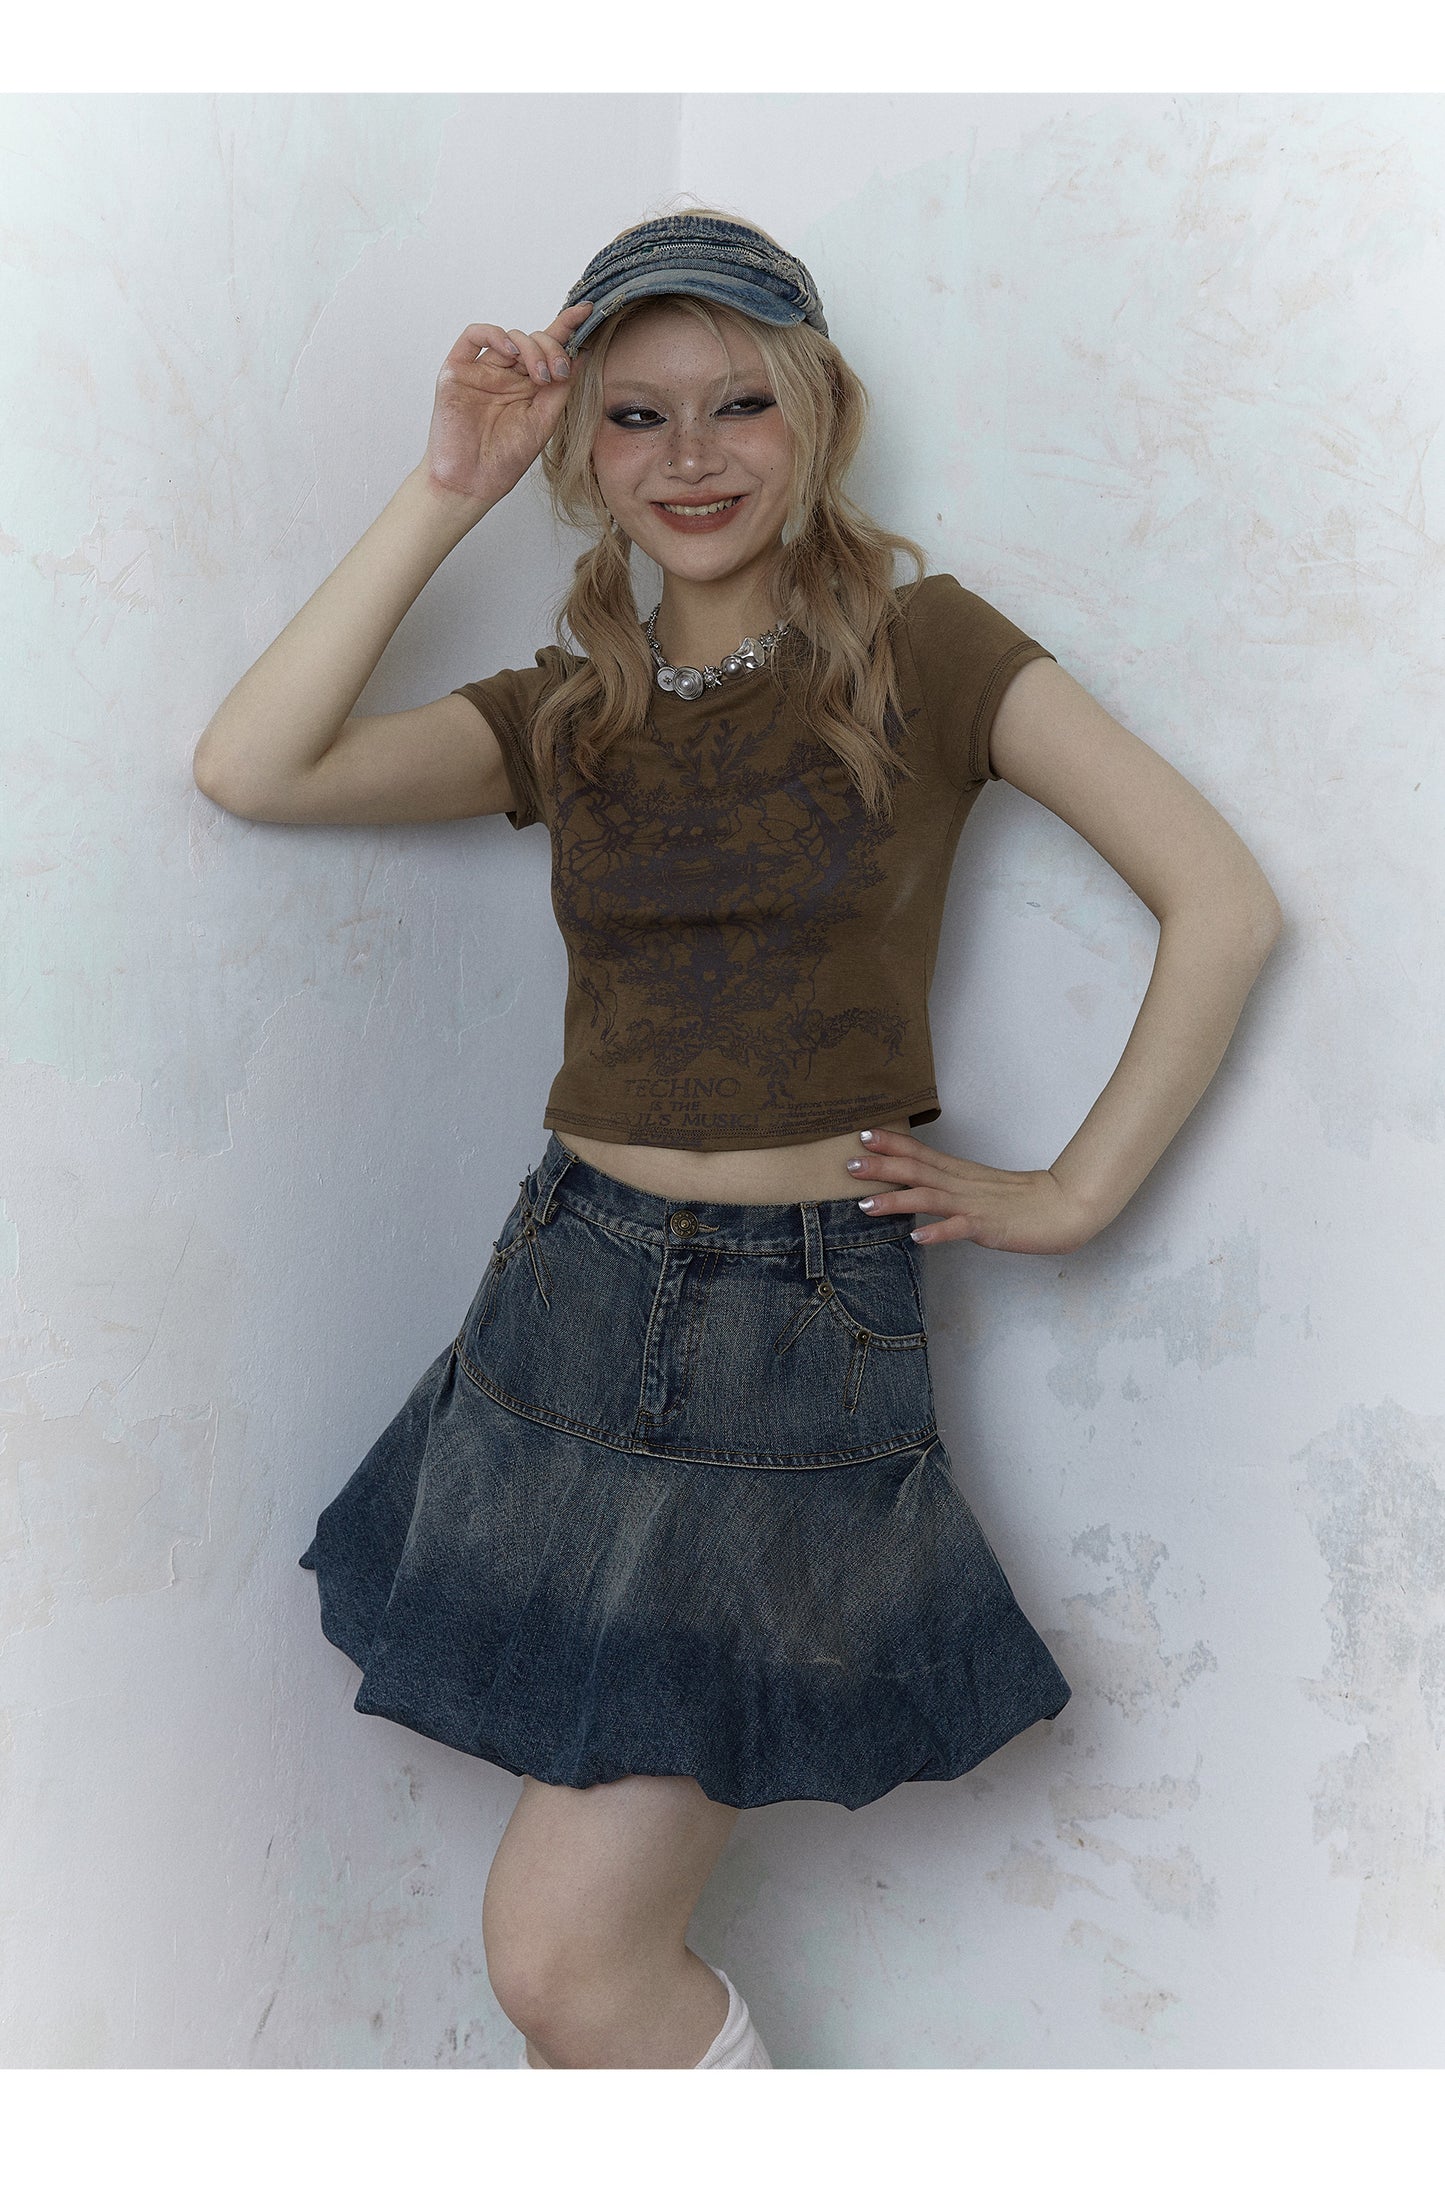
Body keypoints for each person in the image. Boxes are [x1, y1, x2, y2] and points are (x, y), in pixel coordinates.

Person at [192, 206, 1282, 2072]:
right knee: (573, 1972)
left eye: (739, 403)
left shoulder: (928, 651)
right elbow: (253, 763)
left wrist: (1076, 1189)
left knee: (563, 1958)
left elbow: (1221, 902)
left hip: (793, 1332)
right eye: (631, 415)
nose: (689, 456)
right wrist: (448, 487)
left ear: (819, 411)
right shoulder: (576, 705)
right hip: (562, 1304)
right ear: (580, 448)